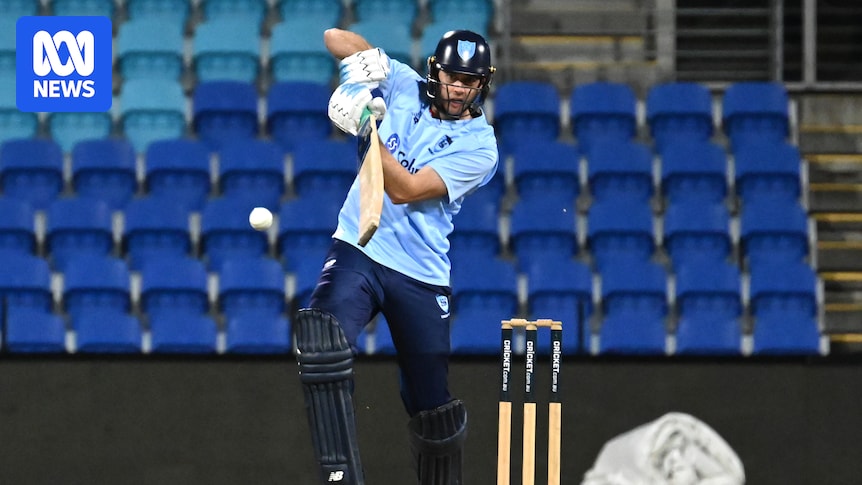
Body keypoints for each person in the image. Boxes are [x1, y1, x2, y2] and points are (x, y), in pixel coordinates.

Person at [293, 27, 498, 485]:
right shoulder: (402, 82)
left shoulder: (481, 147)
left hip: (420, 273)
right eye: (452, 76)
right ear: (435, 71)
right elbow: (332, 38)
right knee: (324, 344)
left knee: (431, 405)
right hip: (359, 246)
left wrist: (366, 126)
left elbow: (405, 190)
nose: (459, 87)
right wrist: (366, 64)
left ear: (482, 84)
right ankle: (340, 475)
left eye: (470, 80)